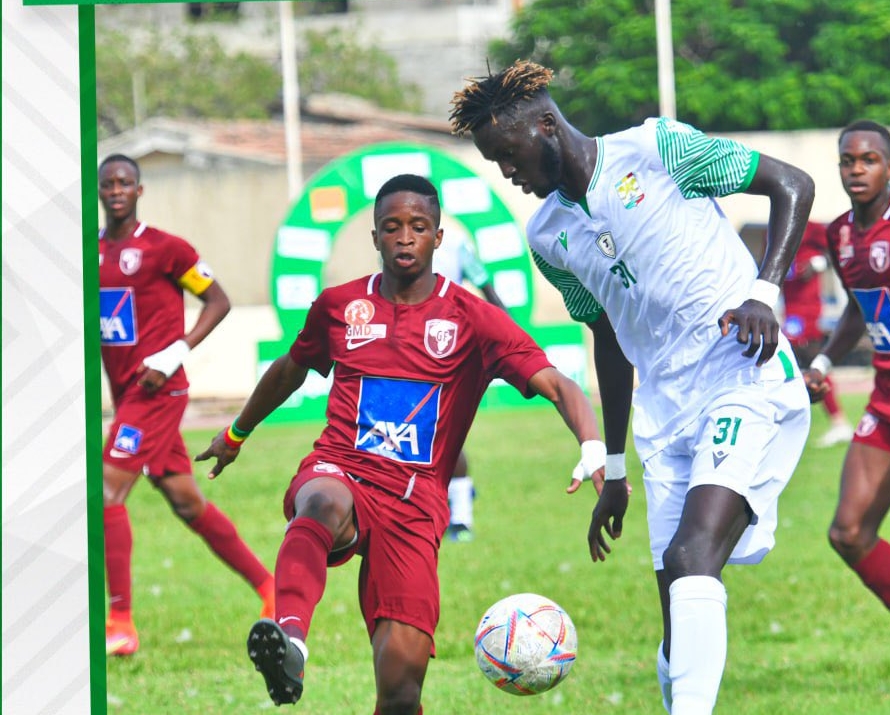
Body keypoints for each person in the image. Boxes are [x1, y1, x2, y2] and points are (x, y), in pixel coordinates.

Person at [451, 61, 814, 715]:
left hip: (743, 375)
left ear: (544, 125)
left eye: (507, 155)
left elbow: (792, 184)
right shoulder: (548, 239)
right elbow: (610, 343)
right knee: (677, 598)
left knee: (690, 552)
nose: (508, 173)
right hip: (663, 413)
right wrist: (613, 465)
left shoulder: (657, 149)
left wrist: (765, 289)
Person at [195, 173, 608, 711]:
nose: (405, 237)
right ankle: (290, 640)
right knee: (320, 503)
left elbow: (557, 382)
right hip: (342, 465)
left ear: (439, 238)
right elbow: (290, 371)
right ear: (374, 238)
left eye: (418, 227)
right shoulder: (339, 306)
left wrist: (593, 445)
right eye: (392, 227)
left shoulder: (475, 320)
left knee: (400, 690)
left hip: (416, 504)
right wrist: (235, 433)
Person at [98, 154, 274, 656]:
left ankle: (120, 622)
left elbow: (218, 300)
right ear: (99, 191)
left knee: (106, 493)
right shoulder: (92, 253)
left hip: (158, 393)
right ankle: (269, 587)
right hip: (127, 396)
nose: (116, 191)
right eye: (108, 183)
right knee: (186, 502)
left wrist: (173, 354)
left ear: (140, 190)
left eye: (125, 183)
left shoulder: (164, 248)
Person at [804, 121, 890, 648]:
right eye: (848, 160)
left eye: (869, 159)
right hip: (888, 398)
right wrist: (825, 364)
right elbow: (858, 309)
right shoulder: (839, 234)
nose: (857, 169)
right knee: (848, 532)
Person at [431, 229, 507, 542]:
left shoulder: (456, 246)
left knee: (445, 432)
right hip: (409, 349)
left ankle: (461, 515)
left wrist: (507, 333)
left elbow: (486, 286)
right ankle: (449, 501)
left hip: (448, 348)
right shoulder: (392, 245)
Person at [781, 221, 854, 448]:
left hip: (807, 309)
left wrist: (817, 263)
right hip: (789, 308)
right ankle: (834, 421)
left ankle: (839, 421)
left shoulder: (812, 228)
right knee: (793, 359)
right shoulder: (774, 227)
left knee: (807, 358)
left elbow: (838, 252)